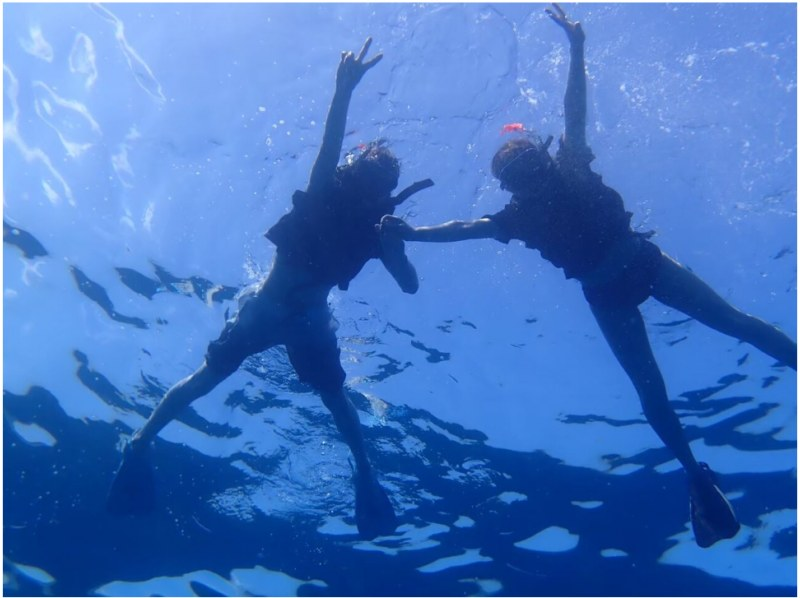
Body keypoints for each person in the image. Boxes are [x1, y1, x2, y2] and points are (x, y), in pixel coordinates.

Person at [379, 4, 797, 548]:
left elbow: (572, 110)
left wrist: (577, 48)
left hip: (631, 272)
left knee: (722, 335)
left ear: (539, 160)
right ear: (511, 185)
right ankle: (695, 474)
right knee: (667, 382)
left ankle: (702, 464)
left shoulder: (559, 172)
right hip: (614, 289)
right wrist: (411, 235)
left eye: (525, 164)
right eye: (515, 174)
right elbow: (464, 227)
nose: (526, 176)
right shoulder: (522, 212)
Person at [108, 38, 434, 540]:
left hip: (306, 324)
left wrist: (396, 246)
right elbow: (329, 143)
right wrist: (343, 89)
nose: (369, 184)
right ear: (356, 174)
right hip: (267, 310)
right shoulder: (324, 191)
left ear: (383, 189)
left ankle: (365, 472)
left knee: (333, 398)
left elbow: (409, 287)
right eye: (369, 173)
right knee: (213, 380)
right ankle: (140, 441)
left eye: (378, 179)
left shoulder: (378, 231)